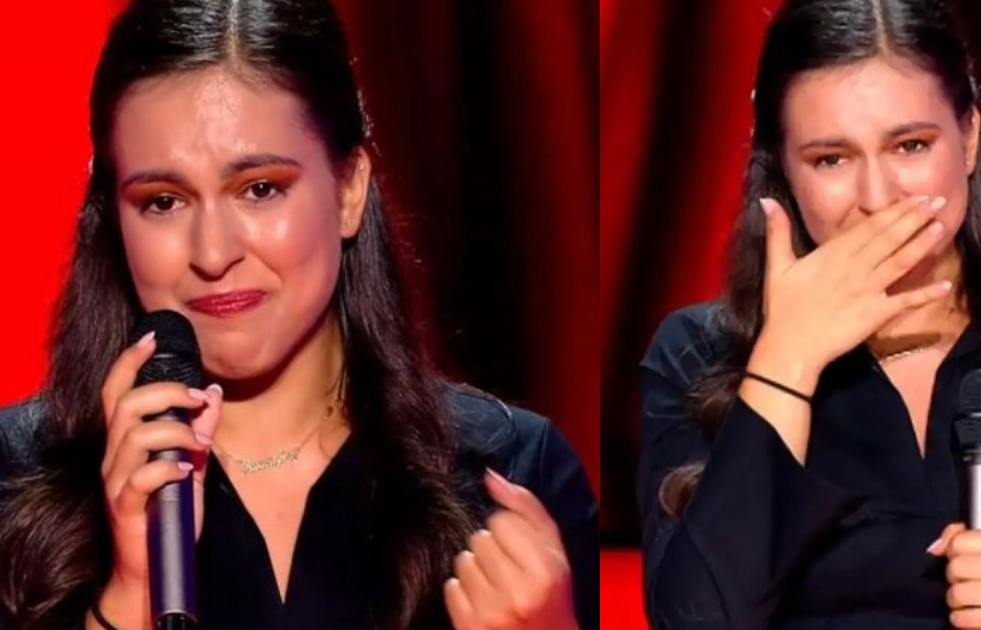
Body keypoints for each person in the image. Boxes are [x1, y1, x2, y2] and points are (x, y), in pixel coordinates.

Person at [0, 1, 597, 629]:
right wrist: (131, 596)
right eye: (164, 201)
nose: (213, 253)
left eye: (260, 189)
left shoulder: (512, 476)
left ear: (349, 189)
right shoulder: (18, 480)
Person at [636, 0, 981, 628]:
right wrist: (787, 359)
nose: (878, 199)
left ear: (969, 139)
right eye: (831, 159)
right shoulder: (699, 354)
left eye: (910, 146)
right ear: (782, 170)